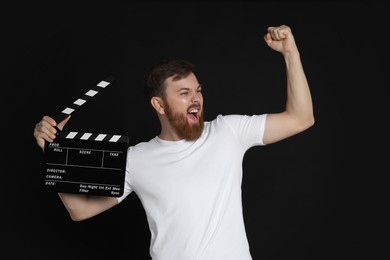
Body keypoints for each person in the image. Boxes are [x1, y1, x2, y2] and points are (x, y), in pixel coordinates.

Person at [33, 25, 314, 260]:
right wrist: (53, 153)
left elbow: (301, 118)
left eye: (197, 90)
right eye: (184, 92)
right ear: (160, 104)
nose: (196, 98)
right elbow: (80, 210)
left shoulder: (228, 130)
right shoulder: (136, 159)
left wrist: (290, 53)